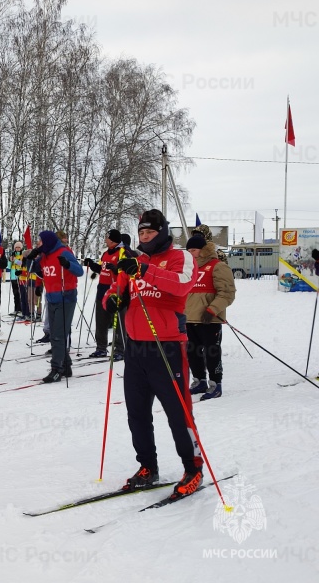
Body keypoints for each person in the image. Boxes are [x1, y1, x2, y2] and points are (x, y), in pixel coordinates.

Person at [104, 209, 202, 498]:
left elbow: (183, 284)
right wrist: (111, 300)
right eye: (141, 233)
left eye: (150, 233)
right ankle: (148, 466)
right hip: (135, 348)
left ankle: (192, 467)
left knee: (177, 413)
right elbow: (115, 289)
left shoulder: (179, 257)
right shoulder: (133, 261)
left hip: (167, 346)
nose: (145, 237)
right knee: (137, 413)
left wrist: (146, 271)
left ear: (161, 233)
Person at [26, 231, 83, 382]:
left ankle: (56, 368)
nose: (39, 244)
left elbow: (79, 271)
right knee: (55, 334)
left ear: (49, 242)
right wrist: (31, 256)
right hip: (51, 297)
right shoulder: (45, 256)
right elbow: (32, 269)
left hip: (66, 297)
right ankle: (66, 365)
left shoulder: (63, 252)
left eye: (41, 242)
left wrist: (67, 264)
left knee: (58, 335)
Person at [185, 234, 236, 401]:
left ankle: (216, 384)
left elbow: (227, 293)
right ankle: (199, 381)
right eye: (189, 250)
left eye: (194, 250)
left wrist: (212, 310)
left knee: (211, 353)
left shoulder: (218, 266)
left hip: (209, 319)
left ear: (203, 250)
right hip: (189, 318)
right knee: (192, 352)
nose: (191, 253)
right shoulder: (188, 269)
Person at [82, 229, 126, 360]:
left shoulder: (122, 252)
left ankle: (120, 349)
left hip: (116, 290)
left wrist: (117, 269)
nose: (105, 240)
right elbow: (102, 268)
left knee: (118, 322)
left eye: (107, 238)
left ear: (113, 240)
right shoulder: (106, 253)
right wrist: (92, 264)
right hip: (102, 290)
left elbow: (125, 271)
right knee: (101, 321)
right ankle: (101, 348)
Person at [8, 241, 24, 316]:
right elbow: (8, 266)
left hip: (20, 276)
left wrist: (15, 260)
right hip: (13, 276)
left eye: (19, 247)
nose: (17, 249)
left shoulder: (23, 255)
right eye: (16, 247)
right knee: (15, 293)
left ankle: (21, 309)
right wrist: (9, 260)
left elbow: (22, 264)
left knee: (20, 293)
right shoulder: (12, 254)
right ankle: (16, 309)